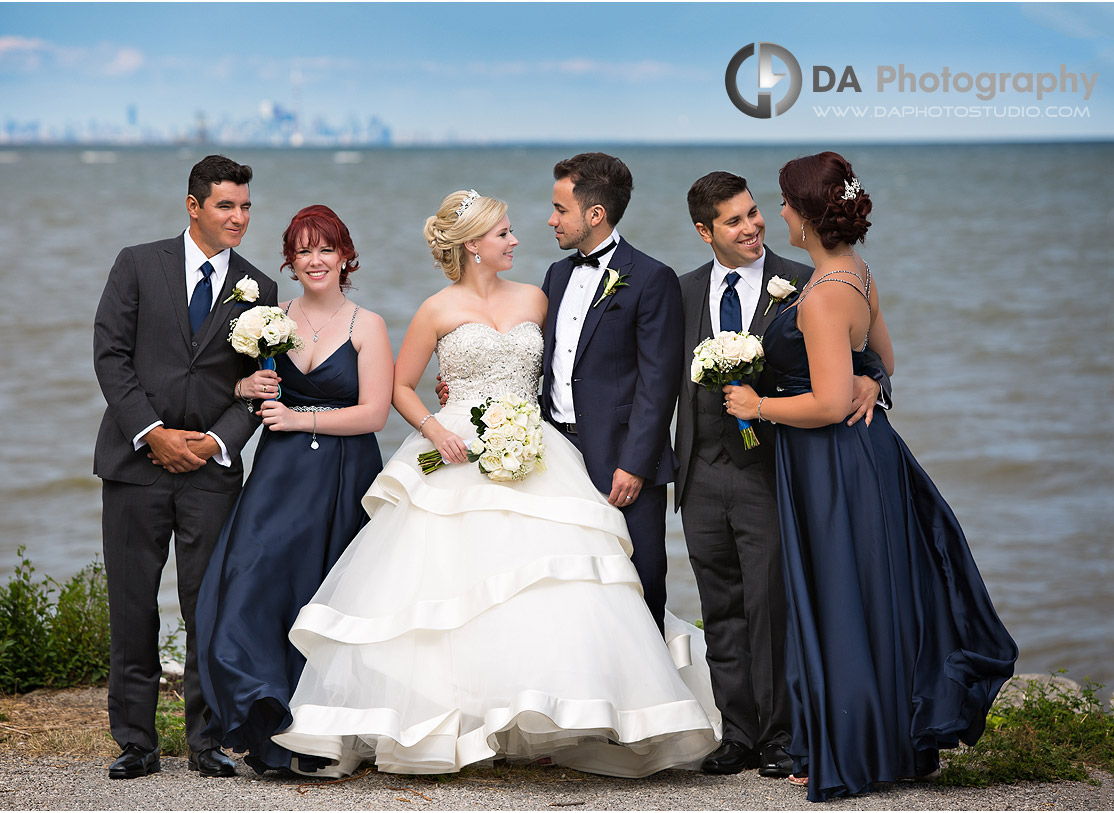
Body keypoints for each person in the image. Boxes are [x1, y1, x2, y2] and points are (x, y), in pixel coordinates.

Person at [269, 190, 719, 777]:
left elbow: (569, 368)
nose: (514, 240)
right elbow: (402, 387)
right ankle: (447, 718)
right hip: (453, 449)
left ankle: (548, 713)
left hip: (533, 447)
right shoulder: (436, 309)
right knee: (448, 584)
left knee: (547, 581)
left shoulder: (538, 297)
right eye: (503, 233)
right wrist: (436, 428)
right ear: (473, 246)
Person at [724, 152, 1017, 801]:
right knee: (868, 597)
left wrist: (757, 405)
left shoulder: (825, 296)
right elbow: (885, 359)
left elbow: (828, 403)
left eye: (783, 203)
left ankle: (848, 749)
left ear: (804, 214)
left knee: (841, 600)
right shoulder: (856, 274)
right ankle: (882, 742)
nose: (778, 215)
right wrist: (870, 378)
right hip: (864, 455)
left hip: (832, 462)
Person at [673, 172, 890, 778]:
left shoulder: (803, 282)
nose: (752, 226)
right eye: (734, 220)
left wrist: (873, 381)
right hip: (699, 472)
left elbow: (866, 354)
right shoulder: (681, 292)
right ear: (704, 231)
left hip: (771, 469)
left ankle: (779, 734)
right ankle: (735, 731)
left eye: (753, 213)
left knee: (772, 605)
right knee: (720, 606)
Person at [92, 155, 278, 779]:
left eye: (246, 206)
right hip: (134, 464)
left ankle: (206, 741)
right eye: (226, 205)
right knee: (132, 604)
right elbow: (110, 355)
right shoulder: (138, 264)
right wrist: (154, 433)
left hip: (210, 471)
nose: (239, 218)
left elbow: (259, 386)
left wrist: (214, 443)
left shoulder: (261, 291)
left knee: (207, 607)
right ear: (194, 205)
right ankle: (136, 742)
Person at [195, 205, 392, 774]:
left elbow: (374, 413)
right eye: (304, 249)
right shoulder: (268, 318)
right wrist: (244, 386)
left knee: (323, 592)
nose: (315, 259)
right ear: (291, 258)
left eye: (325, 248)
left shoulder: (366, 325)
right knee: (251, 582)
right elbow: (245, 390)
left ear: (345, 256)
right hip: (279, 473)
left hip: (342, 471)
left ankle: (321, 732)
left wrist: (302, 419)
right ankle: (264, 715)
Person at [541, 152, 683, 634]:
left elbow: (658, 381)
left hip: (623, 461)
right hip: (555, 457)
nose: (551, 219)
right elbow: (547, 362)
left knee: (639, 584)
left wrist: (636, 464)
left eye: (561, 209)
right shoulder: (556, 276)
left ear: (594, 214)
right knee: (569, 584)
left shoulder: (651, 278)